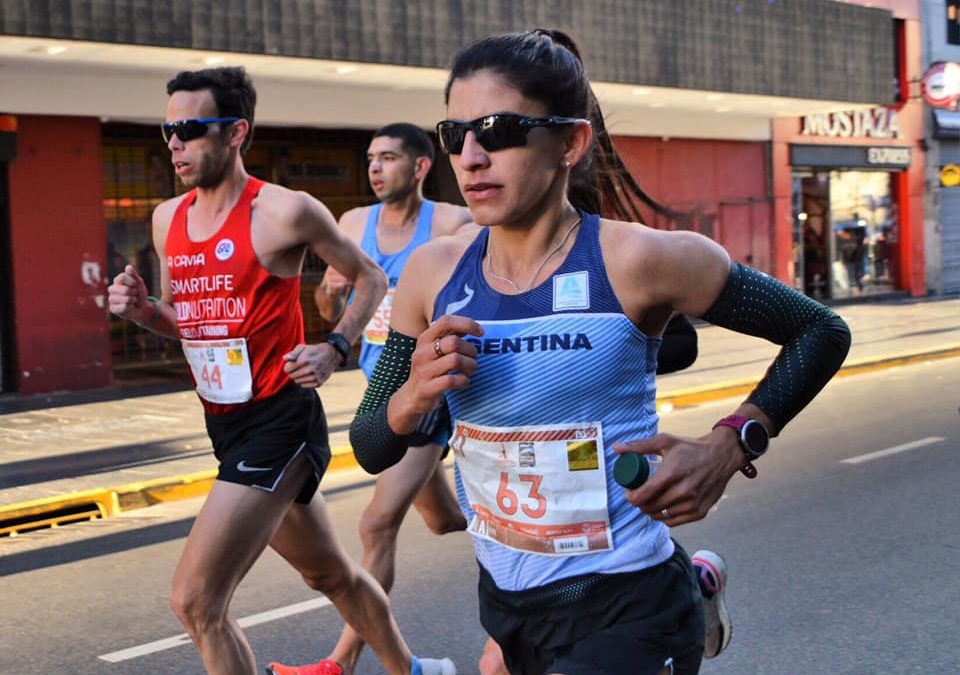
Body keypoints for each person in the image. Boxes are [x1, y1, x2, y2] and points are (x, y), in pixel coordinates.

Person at [346, 29, 851, 675]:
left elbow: (820, 330)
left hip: (627, 598)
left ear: (571, 142)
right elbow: (369, 444)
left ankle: (683, 596)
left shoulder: (642, 258)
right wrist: (412, 397)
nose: (470, 157)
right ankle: (699, 587)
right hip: (507, 600)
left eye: (497, 130)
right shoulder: (430, 274)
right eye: (456, 134)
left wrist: (731, 442)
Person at [107, 66, 453, 675]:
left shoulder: (284, 211)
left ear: (235, 132)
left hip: (280, 422)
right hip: (226, 424)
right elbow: (188, 321)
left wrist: (336, 348)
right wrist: (143, 312)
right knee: (333, 574)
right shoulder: (167, 220)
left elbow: (371, 277)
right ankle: (414, 671)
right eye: (167, 132)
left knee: (196, 602)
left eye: (190, 129)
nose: (175, 144)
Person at [270, 124, 472, 675]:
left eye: (387, 158)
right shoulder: (354, 224)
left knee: (375, 524)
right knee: (445, 520)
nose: (375, 168)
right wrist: (332, 292)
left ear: (421, 167)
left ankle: (341, 663)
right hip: (381, 398)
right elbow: (336, 312)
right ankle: (508, 520)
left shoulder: (452, 224)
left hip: (428, 396)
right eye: (370, 159)